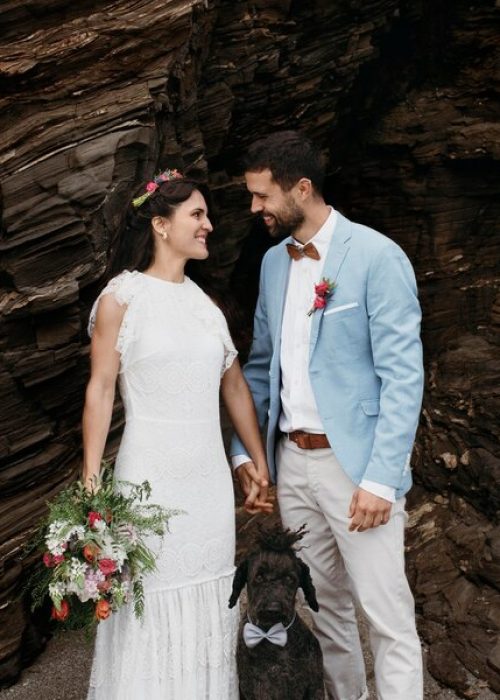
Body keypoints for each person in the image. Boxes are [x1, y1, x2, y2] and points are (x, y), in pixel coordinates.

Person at [230, 132, 425, 700]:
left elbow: (403, 376)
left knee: (386, 615)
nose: (254, 209)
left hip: (357, 466)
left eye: (263, 196)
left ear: (303, 188)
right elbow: (262, 369)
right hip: (293, 465)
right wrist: (248, 454)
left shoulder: (376, 256)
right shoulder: (272, 264)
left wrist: (381, 478)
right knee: (328, 610)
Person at [83, 170, 271, 700]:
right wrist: (92, 478)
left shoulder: (206, 306)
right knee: (149, 601)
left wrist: (256, 460)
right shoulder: (121, 297)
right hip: (149, 477)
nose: (209, 225)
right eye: (197, 215)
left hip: (207, 482)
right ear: (161, 226)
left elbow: (234, 388)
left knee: (210, 598)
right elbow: (99, 390)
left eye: (207, 215)